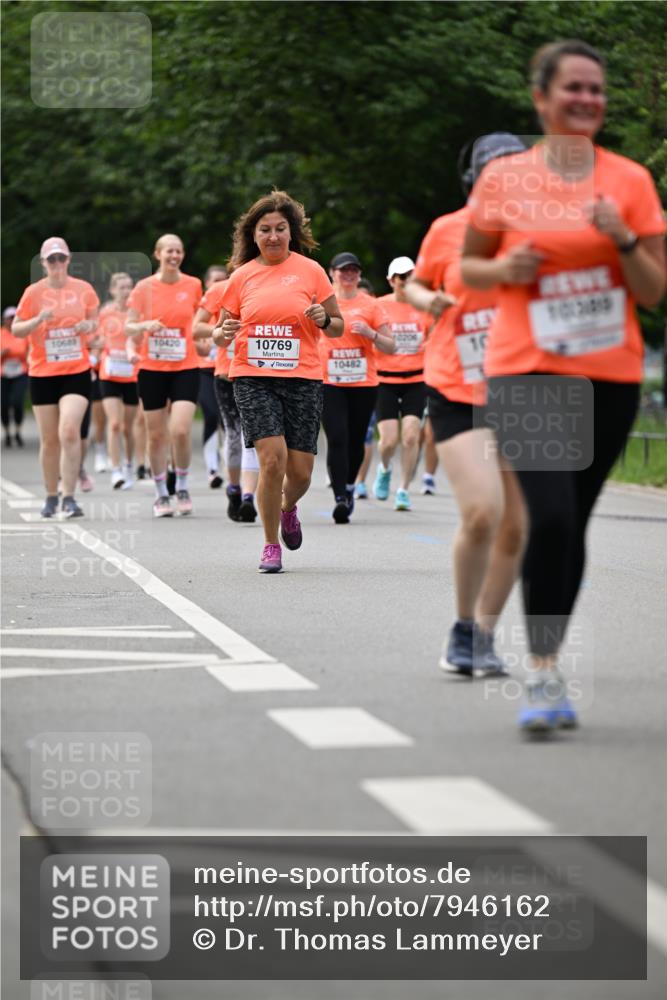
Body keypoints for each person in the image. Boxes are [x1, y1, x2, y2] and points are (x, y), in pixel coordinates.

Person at [461, 40, 666, 731]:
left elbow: (651, 291)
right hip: (527, 370)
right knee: (545, 516)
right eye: (573, 88)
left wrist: (624, 242)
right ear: (541, 98)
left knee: (570, 522)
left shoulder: (631, 181)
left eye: (596, 90)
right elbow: (471, 271)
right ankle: (544, 676)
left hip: (607, 374)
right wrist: (508, 267)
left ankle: (544, 654)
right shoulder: (505, 179)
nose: (587, 100)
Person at [407, 133, 528, 681]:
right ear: (473, 178)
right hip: (457, 384)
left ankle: (482, 633)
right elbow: (413, 285)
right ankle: (461, 628)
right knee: (483, 511)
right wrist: (426, 298)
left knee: (516, 527)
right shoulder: (448, 230)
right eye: (492, 172)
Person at [213, 190, 343, 572]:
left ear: (292, 232)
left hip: (302, 378)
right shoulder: (241, 277)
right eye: (265, 229)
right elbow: (219, 333)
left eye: (280, 229)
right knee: (272, 461)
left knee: (300, 472)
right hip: (253, 378)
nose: (272, 236)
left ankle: (288, 507)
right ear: (253, 236)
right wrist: (225, 331)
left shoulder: (311, 271)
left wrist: (323, 319)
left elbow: (337, 328)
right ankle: (271, 545)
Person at [11, 237, 99, 518]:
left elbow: (96, 323)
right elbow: (17, 329)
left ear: (69, 260)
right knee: (49, 440)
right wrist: (38, 320)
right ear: (43, 263)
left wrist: (89, 326)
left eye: (61, 258)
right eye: (52, 259)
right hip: (43, 372)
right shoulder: (33, 293)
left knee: (69, 431)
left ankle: (69, 497)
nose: (57, 264)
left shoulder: (83, 290)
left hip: (76, 370)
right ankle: (51, 495)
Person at [126, 233, 202, 517]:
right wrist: (146, 325)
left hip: (185, 366)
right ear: (157, 254)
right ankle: (161, 494)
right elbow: (128, 327)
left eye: (178, 251)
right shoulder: (143, 288)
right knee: (156, 435)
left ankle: (181, 484)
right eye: (169, 251)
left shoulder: (194, 285)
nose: (174, 256)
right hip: (152, 368)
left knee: (180, 429)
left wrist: (205, 340)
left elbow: (199, 322)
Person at [319, 252, 395, 523]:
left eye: (353, 270)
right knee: (337, 438)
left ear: (359, 275)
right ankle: (340, 497)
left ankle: (350, 486)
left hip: (363, 383)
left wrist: (371, 334)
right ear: (332, 273)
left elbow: (391, 345)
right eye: (343, 270)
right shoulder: (322, 303)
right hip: (329, 382)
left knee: (355, 440)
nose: (348, 275)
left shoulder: (372, 305)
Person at [193, 276, 259, 522]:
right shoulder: (220, 289)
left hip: (258, 373)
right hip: (226, 374)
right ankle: (234, 488)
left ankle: (248, 497)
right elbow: (196, 327)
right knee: (233, 434)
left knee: (253, 436)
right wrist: (220, 331)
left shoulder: (271, 286)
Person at [372, 256, 431, 510]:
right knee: (388, 441)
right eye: (400, 277)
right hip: (384, 378)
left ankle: (404, 489)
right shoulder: (378, 306)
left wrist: (426, 346)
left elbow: (436, 337)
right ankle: (384, 468)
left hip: (416, 379)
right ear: (391, 280)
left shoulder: (425, 307)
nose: (405, 282)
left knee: (410, 436)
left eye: (410, 277)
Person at [98, 272, 138, 489]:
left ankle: (129, 465)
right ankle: (116, 470)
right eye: (121, 287)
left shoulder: (136, 314)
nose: (126, 291)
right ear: (113, 290)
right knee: (114, 424)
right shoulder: (105, 313)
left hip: (131, 374)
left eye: (129, 287)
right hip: (110, 373)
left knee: (127, 427)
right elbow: (97, 338)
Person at [198, 264, 227, 489]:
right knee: (211, 415)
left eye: (223, 280)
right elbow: (193, 340)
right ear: (207, 283)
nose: (219, 284)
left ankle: (231, 467)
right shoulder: (202, 311)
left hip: (227, 371)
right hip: (205, 370)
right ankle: (212, 469)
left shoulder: (233, 306)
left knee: (229, 422)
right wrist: (204, 345)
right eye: (215, 280)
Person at [1, 306, 29, 447]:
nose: (12, 320)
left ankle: (18, 431)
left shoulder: (23, 334)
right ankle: (7, 432)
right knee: (3, 404)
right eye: (9, 318)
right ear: (4, 319)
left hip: (20, 373)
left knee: (17, 402)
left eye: (14, 317)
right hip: (3, 374)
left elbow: (30, 353)